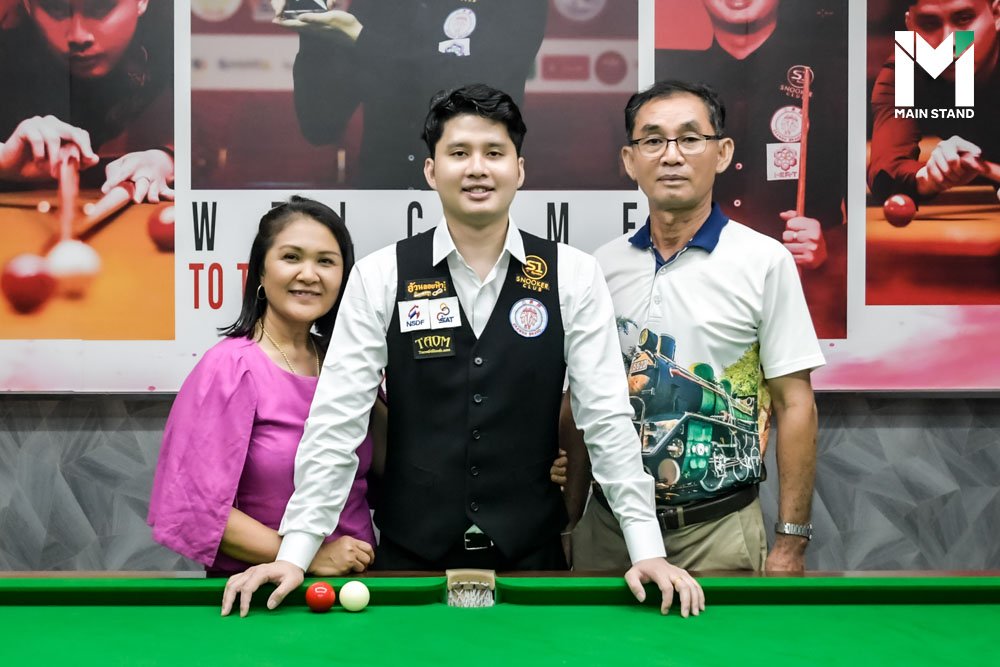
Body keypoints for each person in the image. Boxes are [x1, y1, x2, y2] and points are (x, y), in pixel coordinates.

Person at [220, 83, 705, 618]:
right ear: (432, 171)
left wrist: (646, 550)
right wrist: (295, 554)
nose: (477, 168)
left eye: (494, 153)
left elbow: (607, 419)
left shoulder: (573, 274)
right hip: (411, 560)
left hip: (531, 559)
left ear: (519, 169)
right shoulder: (380, 276)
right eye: (459, 153)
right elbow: (336, 423)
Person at [562, 80, 825, 574]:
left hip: (719, 531)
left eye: (689, 138)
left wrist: (791, 542)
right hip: (607, 529)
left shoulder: (764, 261)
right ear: (629, 160)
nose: (671, 155)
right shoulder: (600, 266)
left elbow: (796, 404)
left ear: (722, 153)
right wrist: (571, 521)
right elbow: (581, 402)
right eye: (652, 140)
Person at [148, 196, 382, 577]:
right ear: (260, 270)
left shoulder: (349, 363)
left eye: (326, 261)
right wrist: (307, 558)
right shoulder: (229, 367)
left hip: (361, 587)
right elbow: (194, 506)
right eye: (291, 257)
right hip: (261, 590)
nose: (309, 274)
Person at [655, 0, 847, 339]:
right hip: (696, 306)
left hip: (800, 303)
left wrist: (827, 246)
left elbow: (863, 208)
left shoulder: (830, 73)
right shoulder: (668, 80)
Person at [270, 0, 546, 188]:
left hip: (472, 198)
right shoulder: (381, 5)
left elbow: (476, 94)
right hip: (383, 205)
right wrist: (313, 28)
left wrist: (361, 39)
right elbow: (321, 125)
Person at [0, 0, 174, 202]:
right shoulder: (8, 46)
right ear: (28, 5)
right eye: (56, 8)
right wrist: (2, 159)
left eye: (100, 7)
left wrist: (167, 159)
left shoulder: (178, 27)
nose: (78, 37)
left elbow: (202, 128)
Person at [868, 0, 1000, 201]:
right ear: (910, 26)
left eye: (964, 19)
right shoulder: (906, 68)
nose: (949, 42)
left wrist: (987, 169)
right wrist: (926, 177)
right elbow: (886, 172)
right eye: (930, 24)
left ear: (997, 14)